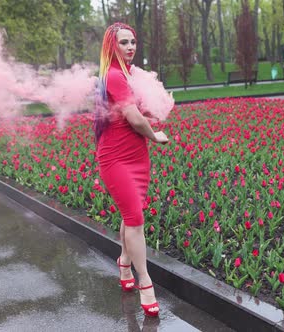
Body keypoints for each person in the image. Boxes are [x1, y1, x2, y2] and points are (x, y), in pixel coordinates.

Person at [94, 22, 169, 317]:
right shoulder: (113, 75)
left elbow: (141, 111)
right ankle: (146, 282)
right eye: (124, 43)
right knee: (135, 218)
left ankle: (124, 261)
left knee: (132, 212)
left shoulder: (129, 74)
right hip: (115, 158)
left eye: (133, 42)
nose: (130, 47)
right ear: (112, 46)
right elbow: (134, 118)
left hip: (137, 155)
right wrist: (155, 134)